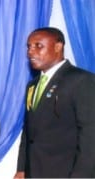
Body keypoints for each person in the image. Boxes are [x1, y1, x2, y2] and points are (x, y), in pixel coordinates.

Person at [14, 27, 95, 178]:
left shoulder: (82, 80)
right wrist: (22, 168)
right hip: (34, 172)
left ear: (58, 47)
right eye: (29, 47)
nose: (30, 52)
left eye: (38, 46)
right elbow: (29, 130)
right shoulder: (32, 85)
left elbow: (90, 135)